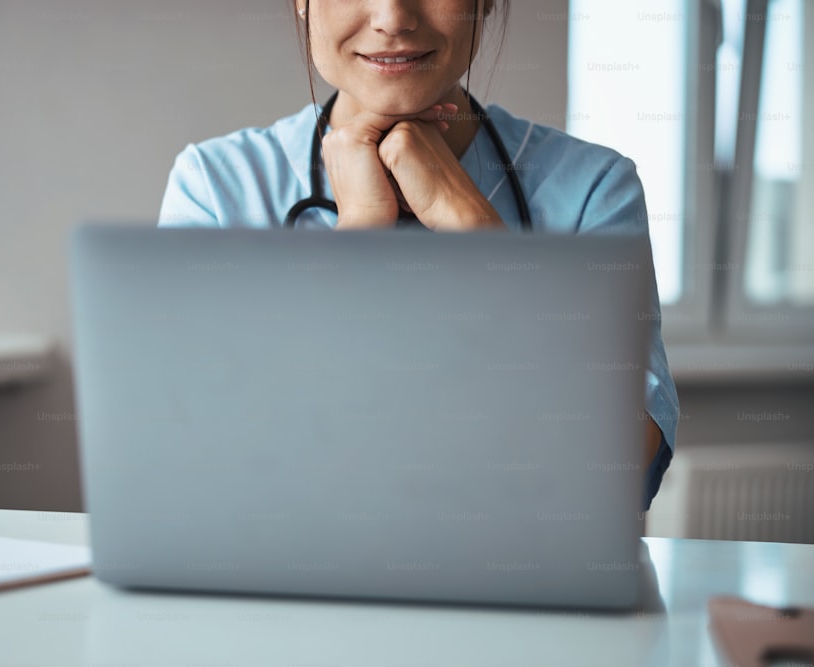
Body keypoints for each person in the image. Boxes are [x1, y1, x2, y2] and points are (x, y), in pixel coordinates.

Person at [158, 0, 677, 510]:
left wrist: (469, 223)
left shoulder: (593, 189)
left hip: (512, 583)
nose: (392, 17)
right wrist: (360, 225)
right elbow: (192, 462)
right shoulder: (216, 187)